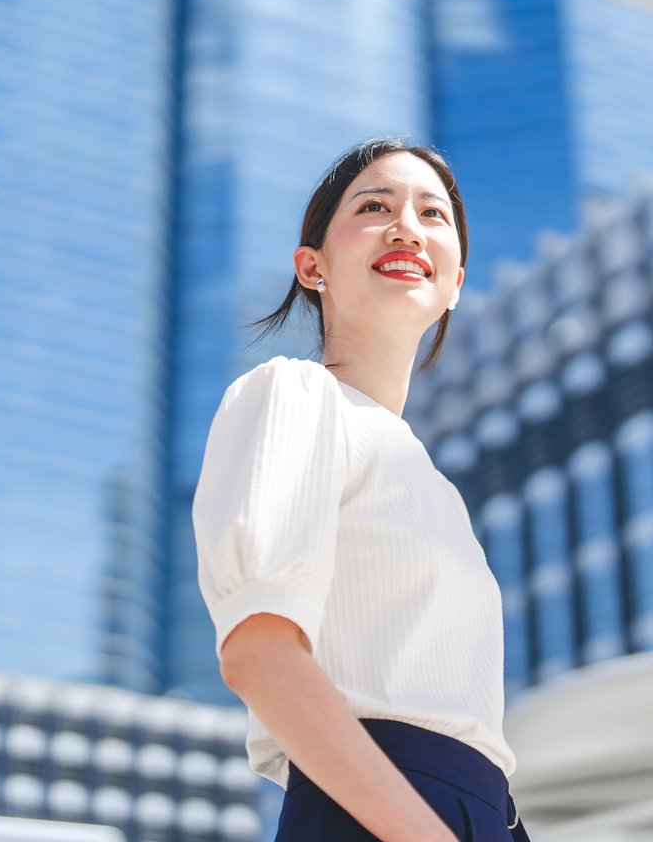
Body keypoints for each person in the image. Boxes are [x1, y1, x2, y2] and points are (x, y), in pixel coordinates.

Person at [192, 137, 530, 841]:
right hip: (377, 814)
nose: (407, 225)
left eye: (432, 214)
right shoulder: (295, 394)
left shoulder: (435, 489)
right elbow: (259, 650)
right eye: (375, 206)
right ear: (311, 265)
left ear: (457, 280)